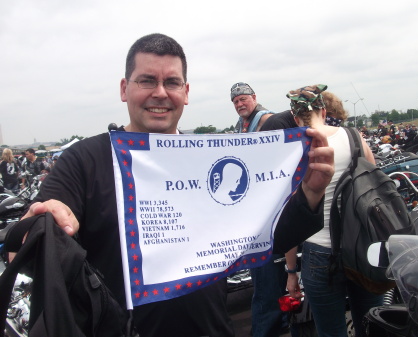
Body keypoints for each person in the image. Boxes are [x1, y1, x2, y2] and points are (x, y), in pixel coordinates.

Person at [17, 34, 334, 337]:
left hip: (210, 328)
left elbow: (267, 239)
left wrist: (311, 192)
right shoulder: (84, 161)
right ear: (125, 88)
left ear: (185, 92)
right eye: (146, 81)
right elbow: (32, 245)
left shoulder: (213, 159)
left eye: (171, 82)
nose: (160, 93)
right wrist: (43, 226)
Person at [261, 85, 383, 337]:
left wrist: (291, 272)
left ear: (295, 119)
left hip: (318, 253)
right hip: (362, 248)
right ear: (324, 111)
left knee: (330, 331)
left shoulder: (295, 152)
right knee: (372, 327)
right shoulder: (354, 137)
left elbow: (291, 219)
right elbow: (376, 191)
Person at [230, 82, 287, 336]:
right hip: (255, 207)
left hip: (269, 211)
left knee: (265, 278)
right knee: (267, 277)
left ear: (254, 98)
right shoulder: (241, 125)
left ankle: (264, 329)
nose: (240, 104)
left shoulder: (267, 120)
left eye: (243, 99)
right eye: (235, 101)